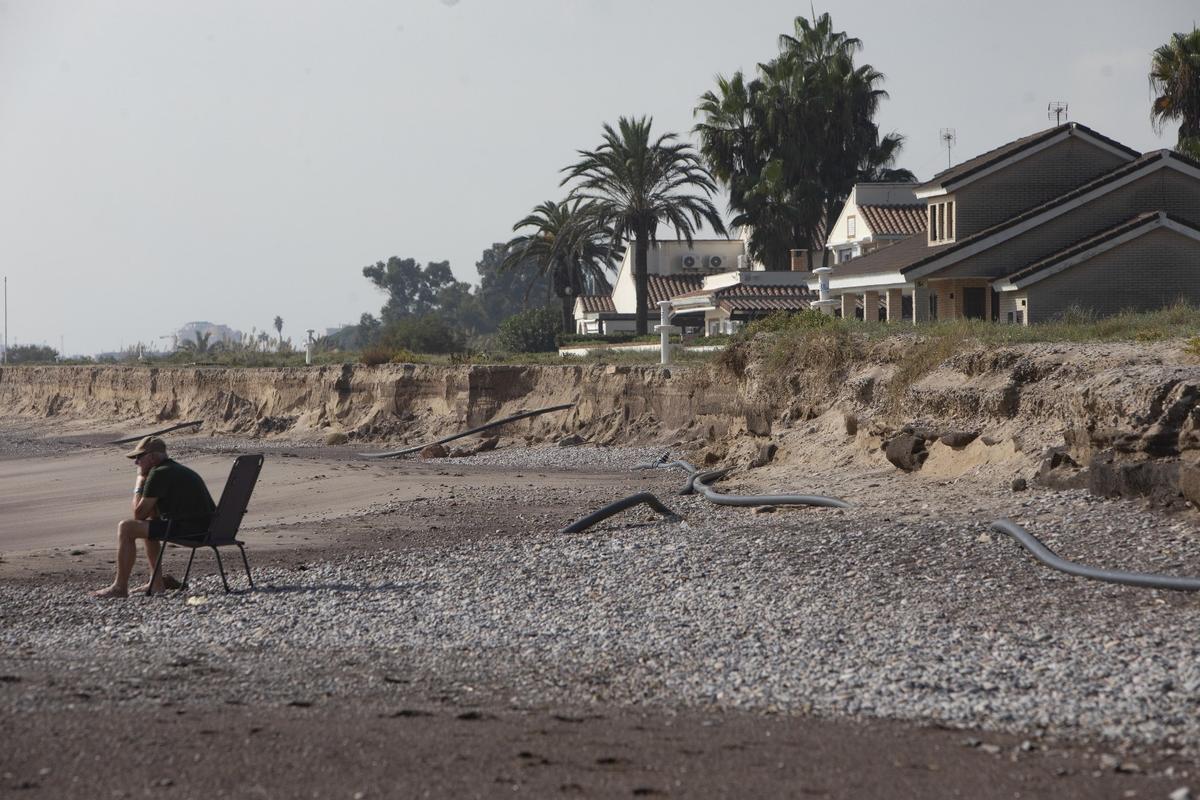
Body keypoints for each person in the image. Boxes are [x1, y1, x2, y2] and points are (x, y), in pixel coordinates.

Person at [92, 436, 216, 599]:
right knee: (150, 524)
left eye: (138, 457)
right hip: (211, 529)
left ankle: (120, 587)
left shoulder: (158, 474)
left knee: (126, 527)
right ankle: (156, 582)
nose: (136, 463)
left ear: (151, 457)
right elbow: (151, 515)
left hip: (192, 531)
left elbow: (138, 514)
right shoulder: (176, 469)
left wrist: (139, 481)